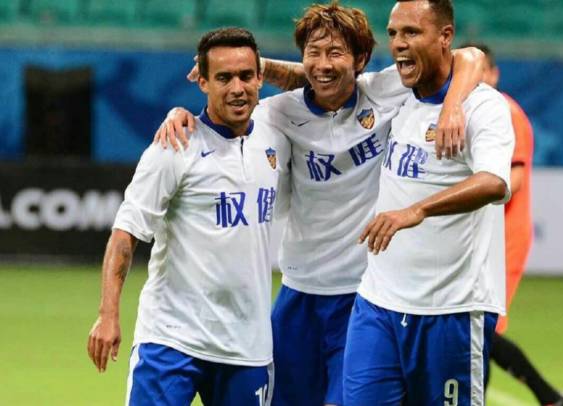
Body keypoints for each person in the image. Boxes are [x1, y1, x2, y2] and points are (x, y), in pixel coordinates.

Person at [156, 3, 485, 405]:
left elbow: (471, 57)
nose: (323, 64)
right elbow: (222, 121)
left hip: (362, 296)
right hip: (298, 293)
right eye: (313, 52)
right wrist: (180, 115)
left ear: (360, 60)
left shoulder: (385, 91)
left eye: (336, 53)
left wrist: (453, 105)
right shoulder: (277, 113)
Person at [86, 28, 290, 406]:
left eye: (246, 75)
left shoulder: (277, 131)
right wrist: (108, 314)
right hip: (171, 339)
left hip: (247, 347)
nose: (237, 88)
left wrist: (271, 65)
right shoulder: (175, 146)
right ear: (203, 82)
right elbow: (125, 233)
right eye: (224, 78)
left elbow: (331, 81)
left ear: (260, 77)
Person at [351, 1, 514, 405]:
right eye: (393, 33)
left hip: (451, 310)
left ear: (444, 37)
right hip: (378, 304)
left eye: (411, 32)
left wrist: (417, 210)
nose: (398, 43)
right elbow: (323, 76)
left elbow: (493, 182)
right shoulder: (397, 93)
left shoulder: (484, 106)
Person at [461, 41, 563, 406]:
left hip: (503, 237)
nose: (474, 78)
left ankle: (546, 396)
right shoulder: (460, 112)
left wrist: (462, 199)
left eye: (481, 71)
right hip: (475, 236)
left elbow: (516, 179)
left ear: (494, 74)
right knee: (475, 327)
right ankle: (549, 397)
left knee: (482, 327)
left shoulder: (505, 112)